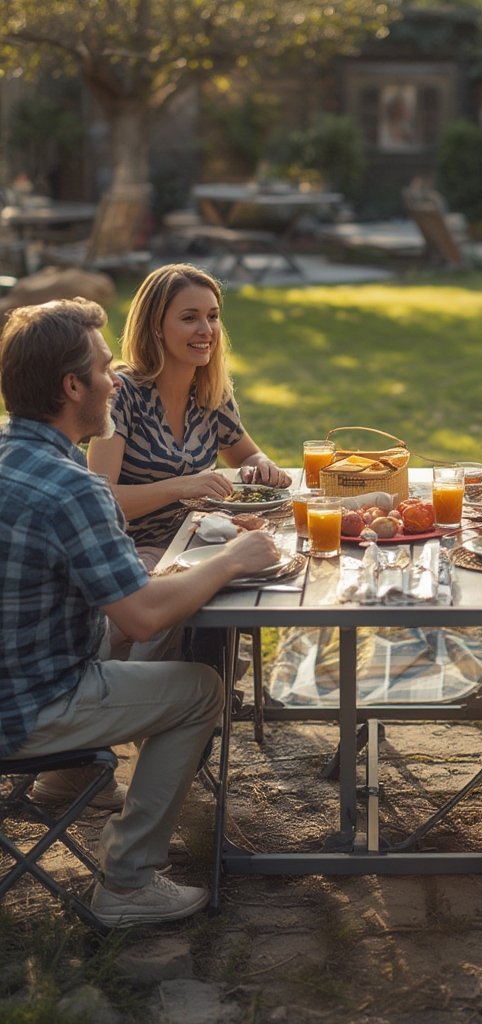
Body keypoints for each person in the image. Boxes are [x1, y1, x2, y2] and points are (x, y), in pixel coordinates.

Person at [0, 298, 280, 927]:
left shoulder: (14, 456)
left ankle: (72, 779)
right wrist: (233, 559)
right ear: (72, 387)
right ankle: (127, 884)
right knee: (200, 691)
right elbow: (143, 618)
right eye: (104, 370)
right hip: (28, 703)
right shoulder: (73, 487)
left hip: (19, 673)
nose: (114, 380)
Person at [87, 263, 291, 567]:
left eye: (212, 316)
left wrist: (261, 466)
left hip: (204, 540)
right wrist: (184, 486)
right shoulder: (122, 394)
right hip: (137, 553)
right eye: (189, 318)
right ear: (156, 326)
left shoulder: (210, 392)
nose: (206, 330)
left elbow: (247, 456)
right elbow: (99, 501)